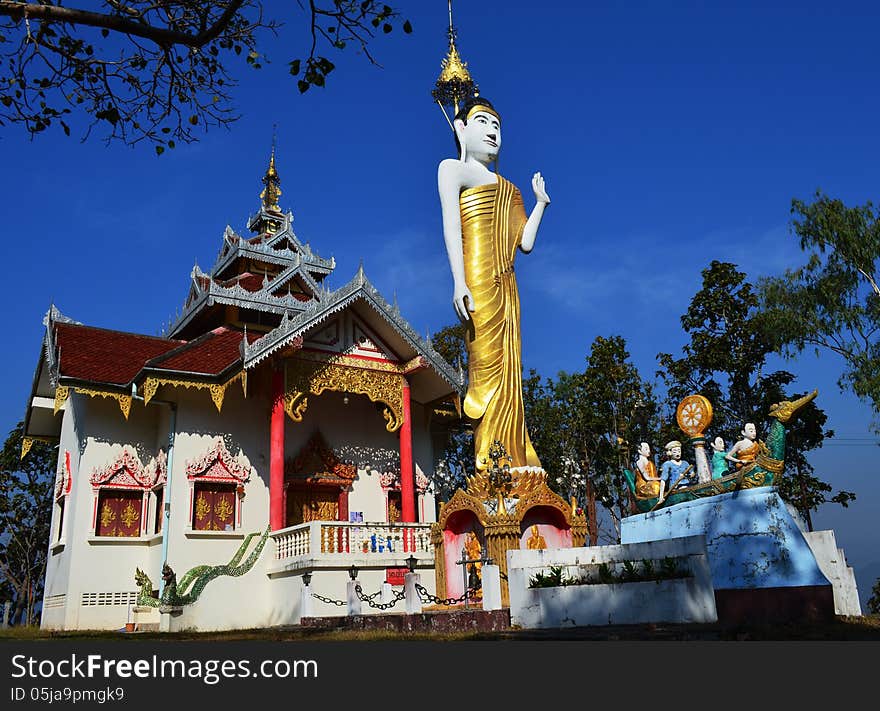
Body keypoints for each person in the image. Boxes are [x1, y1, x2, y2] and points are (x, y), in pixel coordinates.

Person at [437, 96, 550, 471]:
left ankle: (514, 457)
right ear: (461, 129)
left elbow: (526, 243)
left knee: (510, 372)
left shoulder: (511, 189)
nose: (492, 132)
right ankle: (489, 462)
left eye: (497, 126)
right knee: (484, 369)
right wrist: (458, 281)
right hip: (478, 283)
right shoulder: (453, 170)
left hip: (508, 285)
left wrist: (539, 204)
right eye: (483, 122)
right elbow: (451, 228)